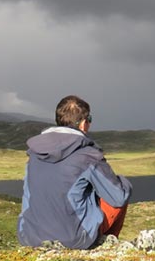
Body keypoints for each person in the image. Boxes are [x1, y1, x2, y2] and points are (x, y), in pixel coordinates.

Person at [17, 95, 132, 249]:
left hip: (29, 236)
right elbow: (118, 197)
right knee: (119, 193)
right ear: (83, 123)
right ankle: (105, 246)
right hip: (73, 240)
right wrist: (123, 182)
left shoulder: (34, 154)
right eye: (89, 119)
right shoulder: (87, 154)